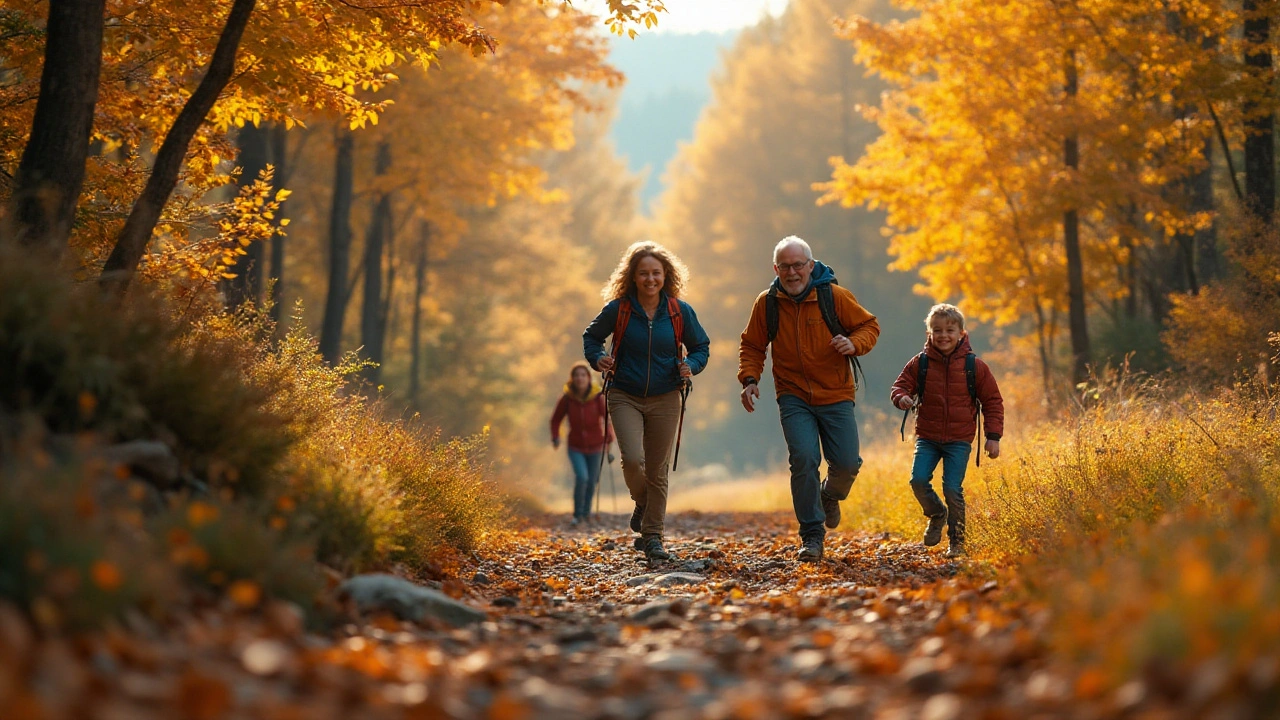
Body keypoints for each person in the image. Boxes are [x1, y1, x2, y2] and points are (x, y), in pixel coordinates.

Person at [738, 236, 880, 562]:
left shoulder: (834, 296)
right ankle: (812, 536)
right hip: (793, 395)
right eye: (785, 266)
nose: (792, 272)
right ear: (776, 269)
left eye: (798, 265)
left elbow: (869, 325)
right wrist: (749, 379)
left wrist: (854, 343)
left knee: (846, 463)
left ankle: (830, 495)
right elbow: (752, 345)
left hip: (836, 392)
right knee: (803, 459)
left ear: (810, 266)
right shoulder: (768, 303)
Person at [584, 241, 710, 561]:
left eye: (656, 273)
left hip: (667, 396)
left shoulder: (680, 311)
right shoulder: (620, 309)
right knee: (633, 460)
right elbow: (592, 337)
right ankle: (642, 502)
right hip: (625, 393)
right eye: (644, 273)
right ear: (633, 276)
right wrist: (598, 357)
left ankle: (653, 536)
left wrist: (691, 366)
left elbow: (701, 347)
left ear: (666, 276)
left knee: (658, 470)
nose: (650, 279)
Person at [890, 303, 1004, 558]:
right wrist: (902, 398)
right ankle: (936, 513)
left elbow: (993, 401)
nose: (943, 335)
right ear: (929, 333)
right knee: (917, 480)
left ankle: (957, 542)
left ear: (962, 333)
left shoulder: (975, 367)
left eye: (950, 330)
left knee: (953, 488)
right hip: (927, 437)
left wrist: (992, 437)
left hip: (959, 440)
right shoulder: (920, 363)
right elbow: (899, 386)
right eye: (937, 330)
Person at [550, 361, 615, 525]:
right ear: (572, 379)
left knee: (592, 480)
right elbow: (555, 420)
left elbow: (607, 419)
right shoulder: (567, 399)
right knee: (582, 477)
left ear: (588, 377)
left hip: (596, 445)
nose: (580, 378)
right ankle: (577, 514)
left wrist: (609, 438)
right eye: (576, 375)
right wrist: (555, 437)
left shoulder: (597, 397)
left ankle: (586, 513)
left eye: (583, 375)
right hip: (575, 446)